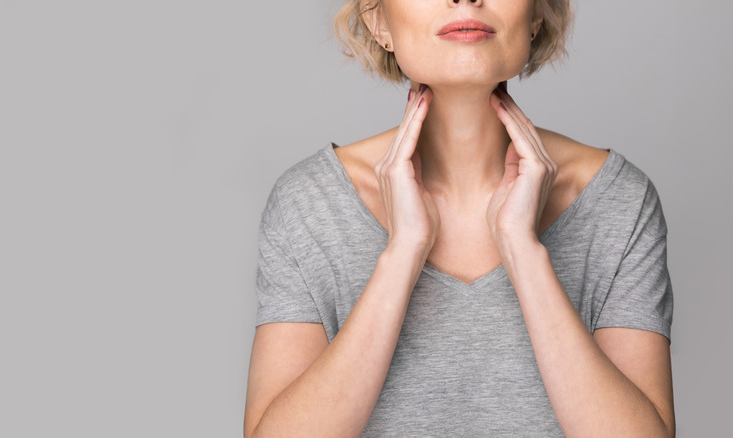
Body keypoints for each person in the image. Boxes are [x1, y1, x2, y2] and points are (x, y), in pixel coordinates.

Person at [244, 0, 675, 436]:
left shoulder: (617, 199)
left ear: (538, 14)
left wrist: (523, 251)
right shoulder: (309, 203)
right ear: (378, 21)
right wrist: (403, 252)